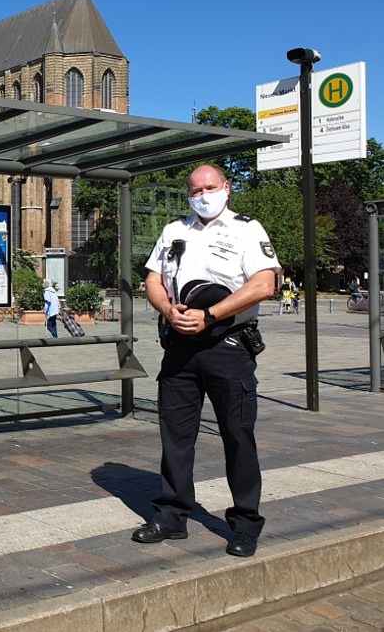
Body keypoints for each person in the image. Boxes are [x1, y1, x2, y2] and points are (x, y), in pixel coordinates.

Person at [133, 164, 279, 558]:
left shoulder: (248, 229)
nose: (202, 194)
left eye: (210, 187)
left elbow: (265, 283)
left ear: (226, 188)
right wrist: (168, 310)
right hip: (180, 346)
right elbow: (152, 279)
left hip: (227, 346)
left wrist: (211, 315)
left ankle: (245, 523)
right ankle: (171, 515)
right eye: (195, 189)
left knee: (237, 436)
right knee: (175, 437)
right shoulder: (174, 231)